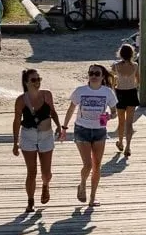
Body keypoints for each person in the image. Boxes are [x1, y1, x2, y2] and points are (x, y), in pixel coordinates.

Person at [62, 65, 118, 207]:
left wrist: (109, 116)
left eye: (97, 73)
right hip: (82, 129)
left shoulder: (108, 92)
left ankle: (92, 197)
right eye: (91, 73)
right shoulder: (80, 91)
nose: (93, 76)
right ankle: (82, 184)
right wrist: (64, 128)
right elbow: (71, 109)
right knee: (87, 164)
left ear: (102, 76)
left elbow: (114, 112)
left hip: (99, 130)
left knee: (97, 165)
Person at [12, 69, 59, 213]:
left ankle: (45, 185)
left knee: (46, 172)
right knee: (31, 171)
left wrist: (59, 126)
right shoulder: (21, 100)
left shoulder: (46, 95)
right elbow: (16, 120)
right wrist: (15, 142)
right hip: (28, 135)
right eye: (33, 80)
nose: (37, 82)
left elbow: (52, 111)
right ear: (26, 82)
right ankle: (30, 201)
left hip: (46, 135)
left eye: (38, 79)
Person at [111, 44, 140, 157]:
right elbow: (138, 80)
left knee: (121, 121)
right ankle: (128, 146)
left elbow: (112, 76)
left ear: (120, 54)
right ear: (132, 54)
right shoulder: (135, 65)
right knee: (129, 122)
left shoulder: (116, 66)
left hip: (120, 93)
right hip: (131, 92)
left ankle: (120, 142)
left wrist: (115, 84)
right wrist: (133, 84)